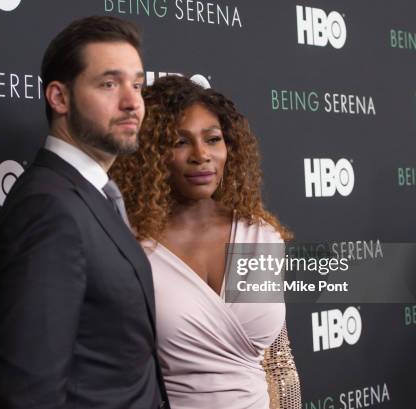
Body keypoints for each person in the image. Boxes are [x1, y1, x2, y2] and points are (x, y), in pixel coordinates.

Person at [0, 16, 168, 409]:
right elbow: (29, 394)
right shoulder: (48, 208)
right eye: (109, 83)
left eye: (137, 84)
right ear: (59, 98)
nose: (132, 101)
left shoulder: (93, 194)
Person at [111, 75, 301, 409]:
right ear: (151, 154)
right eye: (179, 142)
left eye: (213, 139)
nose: (201, 155)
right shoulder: (131, 246)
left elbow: (278, 361)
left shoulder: (259, 236)